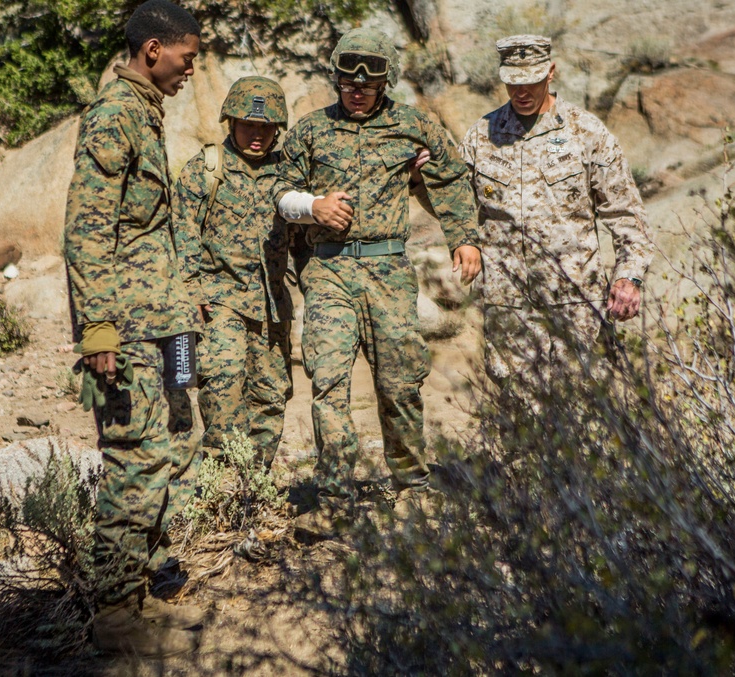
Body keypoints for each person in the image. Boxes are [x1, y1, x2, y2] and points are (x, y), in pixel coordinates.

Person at [274, 27, 482, 537]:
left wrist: (465, 238)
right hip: (327, 271)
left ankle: (412, 486)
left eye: (369, 79)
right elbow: (278, 189)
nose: (357, 87)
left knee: (399, 382)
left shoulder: (415, 127)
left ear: (386, 81)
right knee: (328, 382)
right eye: (348, 78)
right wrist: (312, 205)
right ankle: (336, 496)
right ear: (338, 77)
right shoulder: (309, 131)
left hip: (388, 268)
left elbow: (451, 178)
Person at [63, 0, 205, 656]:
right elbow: (87, 229)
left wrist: (188, 299)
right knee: (134, 453)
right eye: (187, 59)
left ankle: (155, 563)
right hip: (129, 331)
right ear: (153, 51)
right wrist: (98, 333)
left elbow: (149, 227)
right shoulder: (115, 116)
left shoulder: (147, 112)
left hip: (170, 324)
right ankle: (116, 608)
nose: (191, 71)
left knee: (178, 434)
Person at [458, 34, 653, 405]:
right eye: (512, 81)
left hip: (575, 302)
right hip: (508, 303)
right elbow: (450, 200)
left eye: (530, 80)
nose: (521, 91)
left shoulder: (587, 132)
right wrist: (423, 176)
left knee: (582, 410)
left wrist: (629, 276)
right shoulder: (481, 135)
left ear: (551, 72)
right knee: (518, 416)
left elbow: (626, 213)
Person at [173, 76, 300, 468]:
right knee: (223, 389)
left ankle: (254, 487)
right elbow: (183, 238)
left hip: (272, 307)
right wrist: (191, 301)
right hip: (219, 302)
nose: (257, 135)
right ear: (230, 122)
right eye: (248, 125)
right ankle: (221, 487)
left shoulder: (291, 174)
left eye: (266, 127)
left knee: (270, 396)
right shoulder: (206, 170)